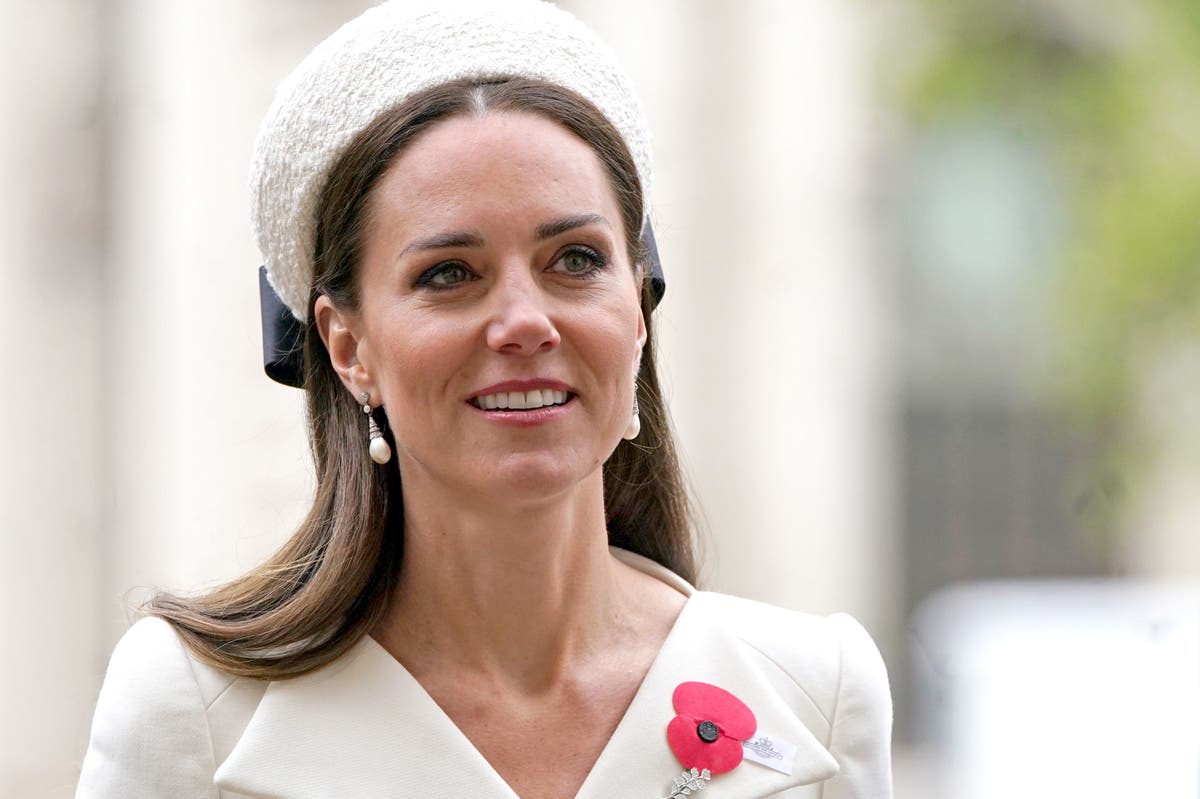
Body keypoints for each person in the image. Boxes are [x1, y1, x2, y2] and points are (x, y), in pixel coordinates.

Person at [76, 2, 892, 797]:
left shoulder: (816, 693)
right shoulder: (198, 711)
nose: (525, 323)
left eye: (574, 259)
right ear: (347, 346)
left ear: (638, 311)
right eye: (449, 274)